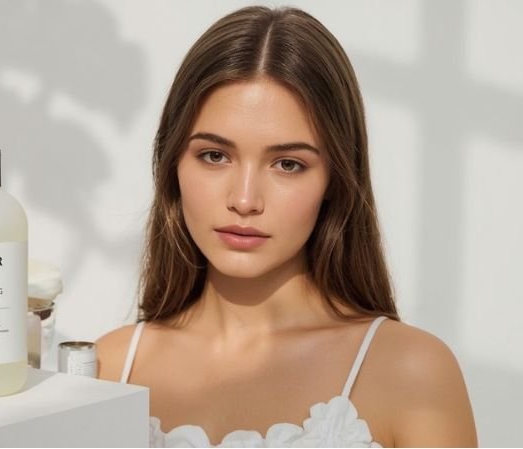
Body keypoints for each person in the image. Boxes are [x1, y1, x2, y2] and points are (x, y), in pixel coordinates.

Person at [96, 5, 477, 448]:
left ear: (335, 179)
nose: (244, 200)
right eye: (214, 156)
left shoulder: (410, 371)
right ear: (172, 162)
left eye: (288, 164)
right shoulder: (107, 367)